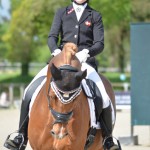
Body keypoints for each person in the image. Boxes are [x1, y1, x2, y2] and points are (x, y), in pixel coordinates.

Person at [4, 0, 120, 150]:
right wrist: (57, 52)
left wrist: (86, 53)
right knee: (29, 91)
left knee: (103, 97)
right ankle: (21, 135)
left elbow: (99, 43)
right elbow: (52, 37)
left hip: (84, 62)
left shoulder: (95, 15)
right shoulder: (62, 12)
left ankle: (108, 139)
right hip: (60, 61)